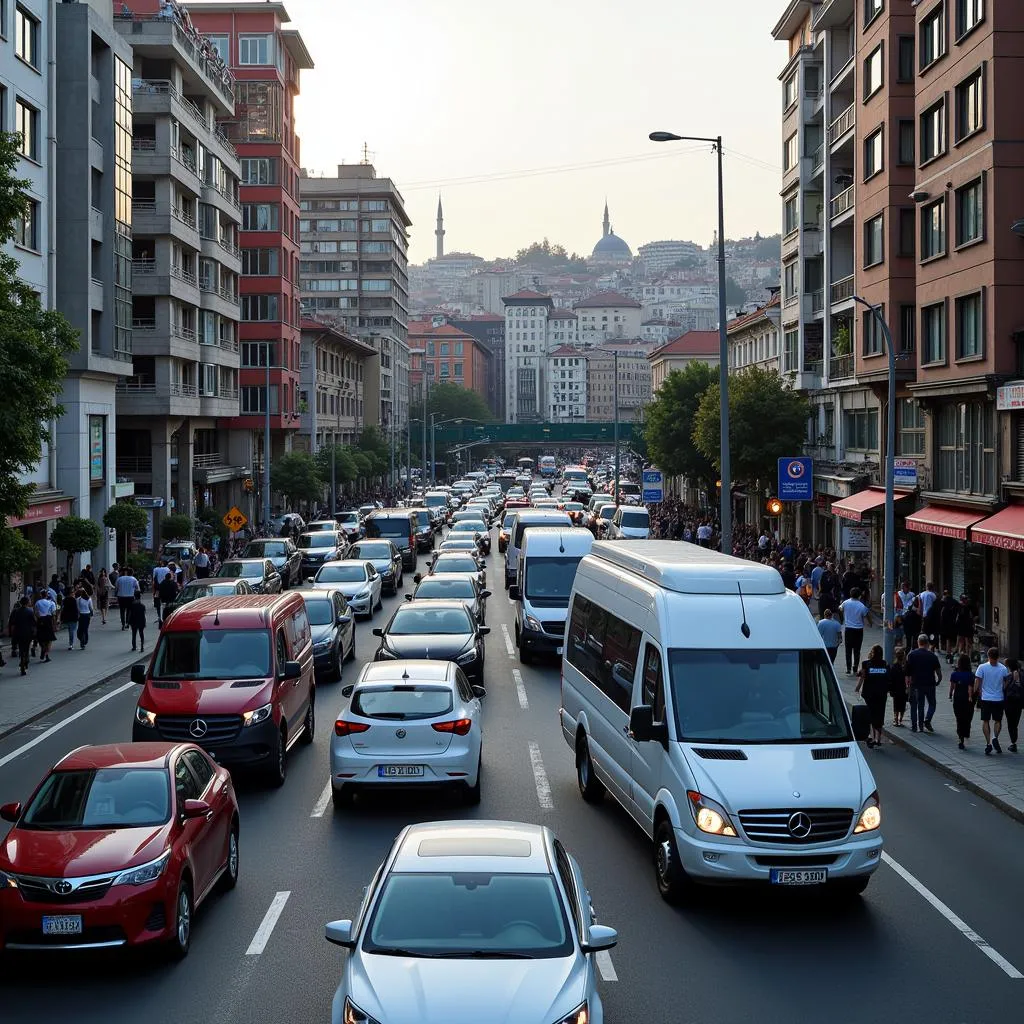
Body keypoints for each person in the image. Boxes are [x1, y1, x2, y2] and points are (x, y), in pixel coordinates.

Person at [906, 632, 943, 732]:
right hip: (929, 683)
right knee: (932, 704)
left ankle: (917, 727)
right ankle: (927, 720)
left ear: (918, 642)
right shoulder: (932, 656)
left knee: (918, 705)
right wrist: (938, 680)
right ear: (927, 643)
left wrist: (908, 684)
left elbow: (908, 672)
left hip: (916, 683)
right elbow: (938, 672)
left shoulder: (912, 655)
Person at [974, 647, 1008, 755]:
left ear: (988, 656)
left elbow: (977, 682)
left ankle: (988, 744)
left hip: (986, 698)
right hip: (999, 698)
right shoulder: (1003, 669)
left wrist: (976, 694)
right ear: (998, 657)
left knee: (985, 721)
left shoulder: (982, 667)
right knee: (998, 721)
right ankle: (995, 737)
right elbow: (1005, 684)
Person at [856, 644, 889, 748]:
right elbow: (887, 679)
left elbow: (862, 677)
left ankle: (872, 737)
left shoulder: (866, 664)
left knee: (870, 715)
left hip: (869, 694)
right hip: (881, 694)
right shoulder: (885, 664)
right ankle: (878, 739)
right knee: (879, 715)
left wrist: (857, 688)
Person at [838, 587, 872, 675]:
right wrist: (870, 623)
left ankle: (848, 668)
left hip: (848, 629)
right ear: (859, 596)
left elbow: (840, 608)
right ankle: (855, 668)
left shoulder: (845, 603)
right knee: (857, 650)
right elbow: (867, 615)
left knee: (848, 649)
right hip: (858, 630)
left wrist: (844, 616)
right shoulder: (861, 606)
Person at [949, 654, 976, 751]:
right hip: (968, 700)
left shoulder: (954, 674)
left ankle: (960, 737)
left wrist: (950, 695)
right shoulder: (971, 675)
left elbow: (952, 686)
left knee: (959, 717)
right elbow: (970, 687)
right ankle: (966, 732)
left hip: (957, 698)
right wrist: (970, 697)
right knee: (968, 717)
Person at [10, 597, 36, 675]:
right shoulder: (30, 611)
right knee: (27, 647)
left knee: (21, 648)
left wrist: (12, 633)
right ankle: (25, 661)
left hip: (18, 632)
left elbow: (13, 624)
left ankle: (22, 660)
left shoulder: (16, 611)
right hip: (27, 633)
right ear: (27, 602)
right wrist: (35, 632)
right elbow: (34, 623)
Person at [33, 590, 56, 663]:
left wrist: (39, 618)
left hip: (40, 620)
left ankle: (43, 647)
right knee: (49, 638)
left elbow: (36, 612)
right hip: (48, 620)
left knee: (40, 636)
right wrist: (54, 624)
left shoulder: (37, 602)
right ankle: (46, 654)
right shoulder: (51, 603)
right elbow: (53, 613)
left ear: (41, 595)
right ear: (47, 595)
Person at [1005, 658, 1022, 753]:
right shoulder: (1022, 674)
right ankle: (1013, 741)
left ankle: (1013, 742)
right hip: (1018, 702)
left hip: (1010, 702)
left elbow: (1005, 688)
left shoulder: (1008, 676)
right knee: (1015, 722)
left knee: (1011, 723)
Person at [939, 588, 959, 663]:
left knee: (947, 639)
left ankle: (949, 652)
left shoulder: (943, 602)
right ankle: (952, 652)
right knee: (951, 639)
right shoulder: (954, 602)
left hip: (945, 624)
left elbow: (941, 613)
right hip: (952, 623)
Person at [889, 648, 908, 727]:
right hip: (904, 688)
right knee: (902, 704)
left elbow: (891, 679)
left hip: (896, 688)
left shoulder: (894, 666)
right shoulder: (906, 665)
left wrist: (890, 689)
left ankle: (896, 719)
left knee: (896, 704)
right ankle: (900, 720)